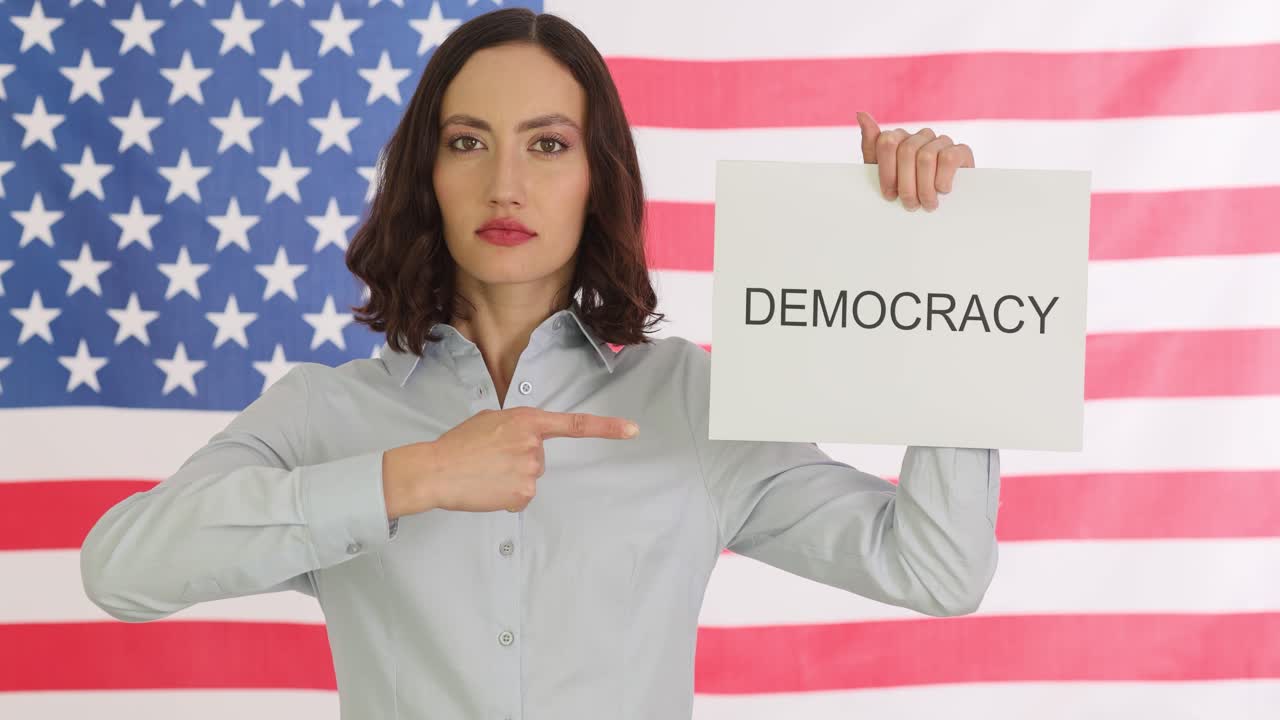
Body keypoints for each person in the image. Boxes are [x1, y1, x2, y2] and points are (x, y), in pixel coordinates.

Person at [79, 8, 1000, 719]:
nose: (504, 184)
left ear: (597, 174)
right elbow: (121, 569)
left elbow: (932, 569)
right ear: (427, 175)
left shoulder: (690, 398)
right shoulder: (326, 415)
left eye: (548, 145)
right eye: (468, 142)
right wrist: (411, 477)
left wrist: (935, 267)